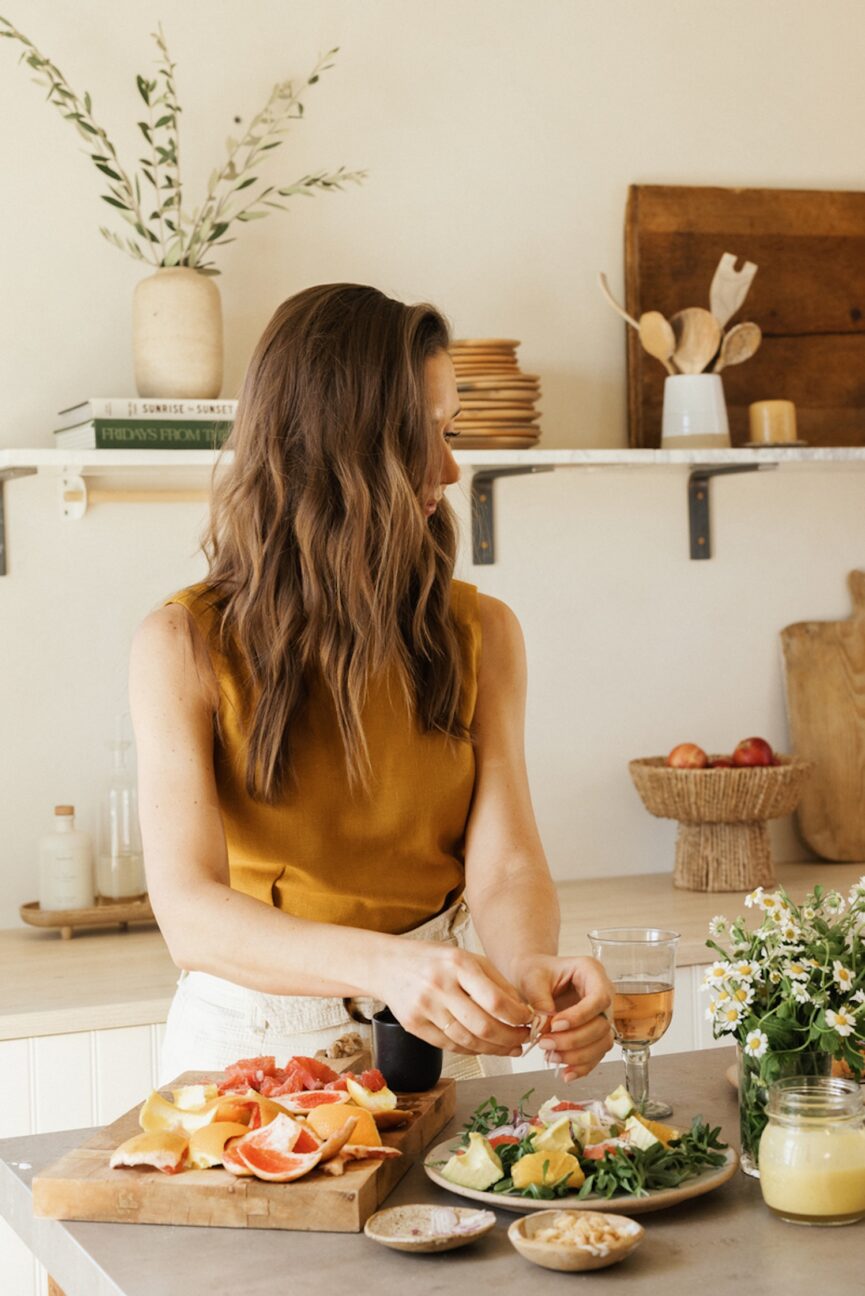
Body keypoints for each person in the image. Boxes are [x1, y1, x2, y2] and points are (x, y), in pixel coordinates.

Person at [129, 283, 615, 1086]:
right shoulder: (181, 644)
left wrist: (531, 964)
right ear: (337, 443)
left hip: (440, 1030)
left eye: (450, 430)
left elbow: (506, 865)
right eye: (422, 435)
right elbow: (190, 914)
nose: (451, 467)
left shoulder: (482, 632)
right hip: (248, 1056)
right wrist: (388, 968)